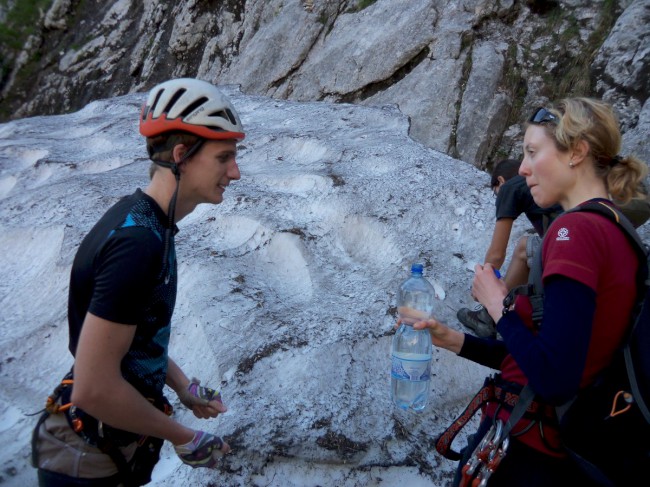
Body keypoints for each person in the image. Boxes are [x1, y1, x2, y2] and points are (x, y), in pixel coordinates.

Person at [414, 98, 648, 485]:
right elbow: (551, 355)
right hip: (550, 453)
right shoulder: (617, 228)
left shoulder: (576, 231)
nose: (522, 168)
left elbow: (554, 379)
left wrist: (496, 304)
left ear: (577, 152)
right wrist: (458, 342)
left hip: (525, 454)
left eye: (532, 152)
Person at [31, 78, 245, 486]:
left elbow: (129, 341)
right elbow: (93, 388)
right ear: (182, 156)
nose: (234, 172)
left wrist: (184, 387)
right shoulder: (138, 246)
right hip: (87, 466)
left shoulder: (144, 220)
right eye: (224, 158)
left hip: (96, 453)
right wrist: (186, 438)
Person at [457, 159, 561, 338]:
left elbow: (497, 254)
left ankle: (488, 316)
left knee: (524, 246)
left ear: (501, 181)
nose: (498, 198)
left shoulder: (510, 187)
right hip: (579, 243)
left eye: (495, 192)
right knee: (532, 245)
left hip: (563, 246)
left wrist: (485, 284)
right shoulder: (546, 178)